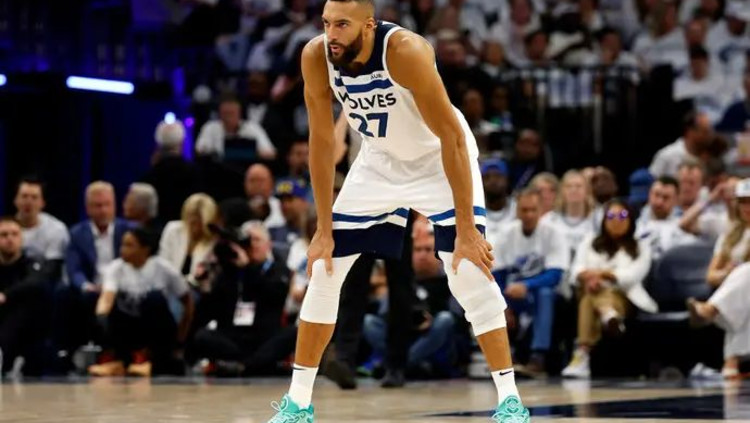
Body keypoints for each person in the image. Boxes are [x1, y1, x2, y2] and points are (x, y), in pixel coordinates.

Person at [264, 2, 529, 421]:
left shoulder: (405, 50)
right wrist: (323, 228)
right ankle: (297, 404)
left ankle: (510, 401)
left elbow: (452, 138)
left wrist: (466, 230)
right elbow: (321, 143)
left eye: (342, 25)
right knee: (324, 269)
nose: (331, 34)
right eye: (327, 23)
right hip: (379, 160)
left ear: (369, 25)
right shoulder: (316, 55)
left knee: (467, 272)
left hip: (438, 159)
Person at [561, 200, 657, 379]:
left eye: (622, 215)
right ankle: (608, 315)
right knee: (592, 294)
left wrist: (602, 275)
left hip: (624, 297)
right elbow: (576, 269)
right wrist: (589, 278)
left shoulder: (640, 246)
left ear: (631, 220)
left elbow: (632, 276)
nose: (616, 220)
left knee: (590, 299)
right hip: (589, 289)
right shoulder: (590, 242)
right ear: (603, 220)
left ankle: (582, 355)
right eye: (611, 216)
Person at [88, 227, 193, 377]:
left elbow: (187, 302)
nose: (123, 249)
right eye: (122, 244)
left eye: (129, 245)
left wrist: (181, 337)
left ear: (145, 249)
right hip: (129, 326)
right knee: (109, 307)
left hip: (156, 326)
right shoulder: (115, 268)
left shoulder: (164, 269)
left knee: (154, 298)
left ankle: (152, 361)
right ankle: (118, 361)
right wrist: (101, 318)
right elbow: (107, 297)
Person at [494, 188, 569, 378]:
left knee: (544, 293)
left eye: (533, 210)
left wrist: (526, 285)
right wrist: (503, 305)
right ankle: (505, 359)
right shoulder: (506, 234)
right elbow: (498, 274)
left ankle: (538, 357)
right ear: (517, 211)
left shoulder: (554, 233)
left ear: (541, 210)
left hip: (548, 296)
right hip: (513, 295)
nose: (528, 215)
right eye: (524, 210)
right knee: (492, 299)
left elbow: (555, 275)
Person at [65, 181, 132, 347]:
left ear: (114, 205)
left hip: (121, 286)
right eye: (98, 205)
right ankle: (69, 350)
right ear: (88, 208)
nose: (103, 210)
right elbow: (74, 270)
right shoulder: (77, 233)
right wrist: (86, 286)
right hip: (92, 287)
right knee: (66, 293)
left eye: (107, 205)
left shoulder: (129, 231)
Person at [0, 217, 50, 374]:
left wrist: (6, 295)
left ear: (22, 238)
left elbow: (35, 284)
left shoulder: (33, 262)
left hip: (26, 322)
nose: (10, 239)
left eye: (14, 234)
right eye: (4, 235)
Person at [159, 194, 218, 290]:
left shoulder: (214, 241)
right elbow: (163, 264)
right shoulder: (172, 230)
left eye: (198, 222)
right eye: (190, 219)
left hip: (198, 291)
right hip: (168, 288)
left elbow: (204, 278)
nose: (193, 226)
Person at [13, 177, 69, 279]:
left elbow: (52, 269)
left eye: (34, 197)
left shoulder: (56, 229)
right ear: (16, 200)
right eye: (24, 196)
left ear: (42, 203)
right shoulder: (4, 229)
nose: (28, 202)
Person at [542, 170, 598, 263]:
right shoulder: (548, 220)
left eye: (578, 186)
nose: (574, 190)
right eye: (569, 186)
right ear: (562, 191)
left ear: (587, 191)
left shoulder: (597, 219)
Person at [704, 179, 750, 289]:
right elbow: (710, 276)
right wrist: (727, 272)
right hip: (731, 287)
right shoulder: (729, 234)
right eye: (743, 201)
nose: (747, 207)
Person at [649, 111, 712, 178]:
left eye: (710, 132)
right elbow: (651, 181)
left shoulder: (711, 157)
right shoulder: (667, 155)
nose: (709, 136)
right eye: (705, 132)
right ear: (689, 132)